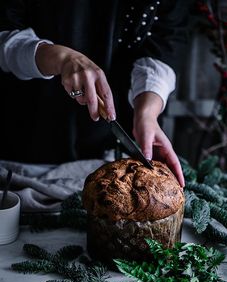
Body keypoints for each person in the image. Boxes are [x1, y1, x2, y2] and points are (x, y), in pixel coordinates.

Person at [0, 0, 191, 187]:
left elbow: (168, 37)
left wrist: (147, 114)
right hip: (26, 138)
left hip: (110, 150)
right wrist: (60, 58)